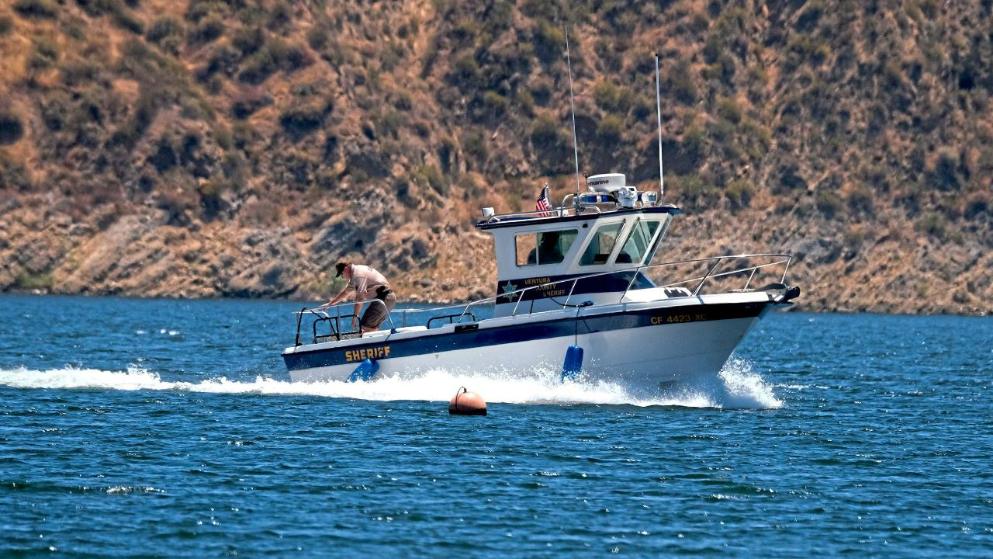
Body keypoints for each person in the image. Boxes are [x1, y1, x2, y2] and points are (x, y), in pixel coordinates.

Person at [319, 262, 396, 334]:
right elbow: (345, 293)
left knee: (364, 327)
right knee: (371, 326)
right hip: (387, 299)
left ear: (346, 269)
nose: (342, 277)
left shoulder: (357, 275)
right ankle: (379, 346)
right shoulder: (355, 274)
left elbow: (360, 298)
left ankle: (366, 347)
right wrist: (330, 304)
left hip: (384, 298)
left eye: (342, 274)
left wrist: (355, 316)